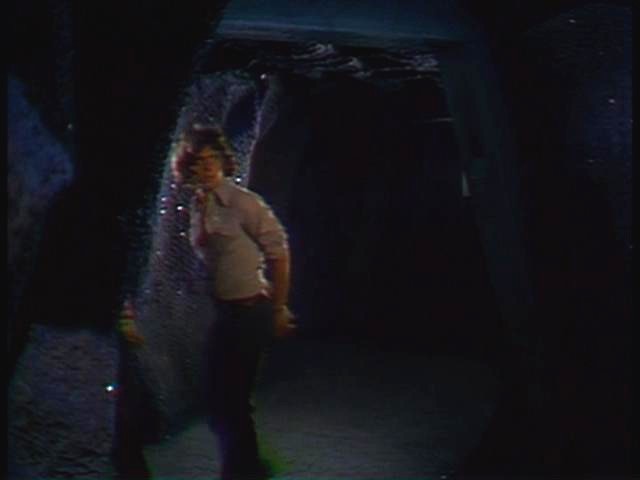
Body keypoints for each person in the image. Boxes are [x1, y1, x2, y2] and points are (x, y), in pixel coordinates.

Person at [171, 123, 295, 480]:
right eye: (199, 162)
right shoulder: (198, 206)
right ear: (189, 169)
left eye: (212, 159)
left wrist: (279, 309)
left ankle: (243, 471)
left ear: (224, 161)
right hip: (225, 312)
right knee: (217, 397)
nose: (207, 167)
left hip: (251, 310)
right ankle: (245, 466)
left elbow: (279, 253)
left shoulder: (244, 203)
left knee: (234, 400)